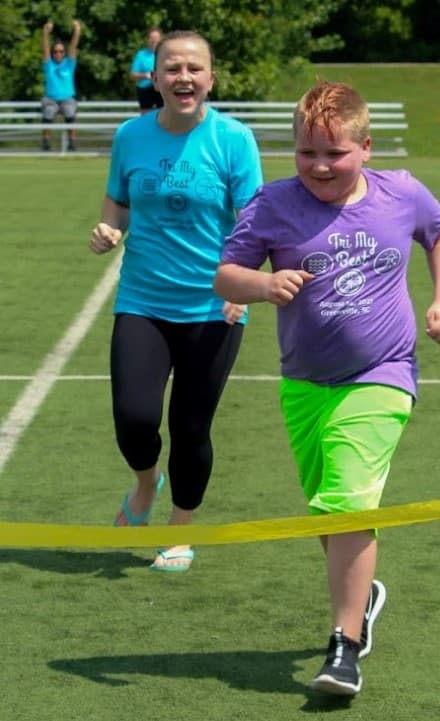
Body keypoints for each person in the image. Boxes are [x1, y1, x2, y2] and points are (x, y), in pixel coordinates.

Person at [215, 80, 440, 696]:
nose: (320, 167)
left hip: (383, 374)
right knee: (328, 515)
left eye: (335, 154)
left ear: (366, 147)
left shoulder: (400, 192)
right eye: (306, 154)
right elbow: (226, 275)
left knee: (348, 502)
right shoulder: (273, 204)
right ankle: (364, 591)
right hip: (304, 382)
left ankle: (344, 646)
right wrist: (264, 287)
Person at [89, 30, 263, 572]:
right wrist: (109, 229)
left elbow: (256, 222)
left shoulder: (234, 139)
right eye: (172, 68)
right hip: (142, 299)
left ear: (211, 78)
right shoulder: (131, 136)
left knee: (191, 426)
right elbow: (117, 202)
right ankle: (145, 485)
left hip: (214, 307)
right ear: (156, 77)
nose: (183, 78)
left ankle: (181, 528)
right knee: (134, 418)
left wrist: (243, 284)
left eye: (194, 68)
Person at [41, 19, 82, 151]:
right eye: (55, 52)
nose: (58, 54)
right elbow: (45, 48)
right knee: (48, 112)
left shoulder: (69, 64)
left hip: (67, 98)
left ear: (64, 53)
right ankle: (46, 142)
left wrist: (76, 31)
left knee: (70, 112)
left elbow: (73, 46)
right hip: (51, 98)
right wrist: (45, 33)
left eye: (61, 51)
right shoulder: (49, 65)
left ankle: (71, 142)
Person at [130, 27, 164, 113]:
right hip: (145, 88)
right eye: (152, 38)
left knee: (163, 112)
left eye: (156, 38)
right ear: (147, 39)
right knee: (146, 114)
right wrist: (145, 75)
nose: (154, 41)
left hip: (161, 87)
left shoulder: (165, 54)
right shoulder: (141, 55)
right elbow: (133, 74)